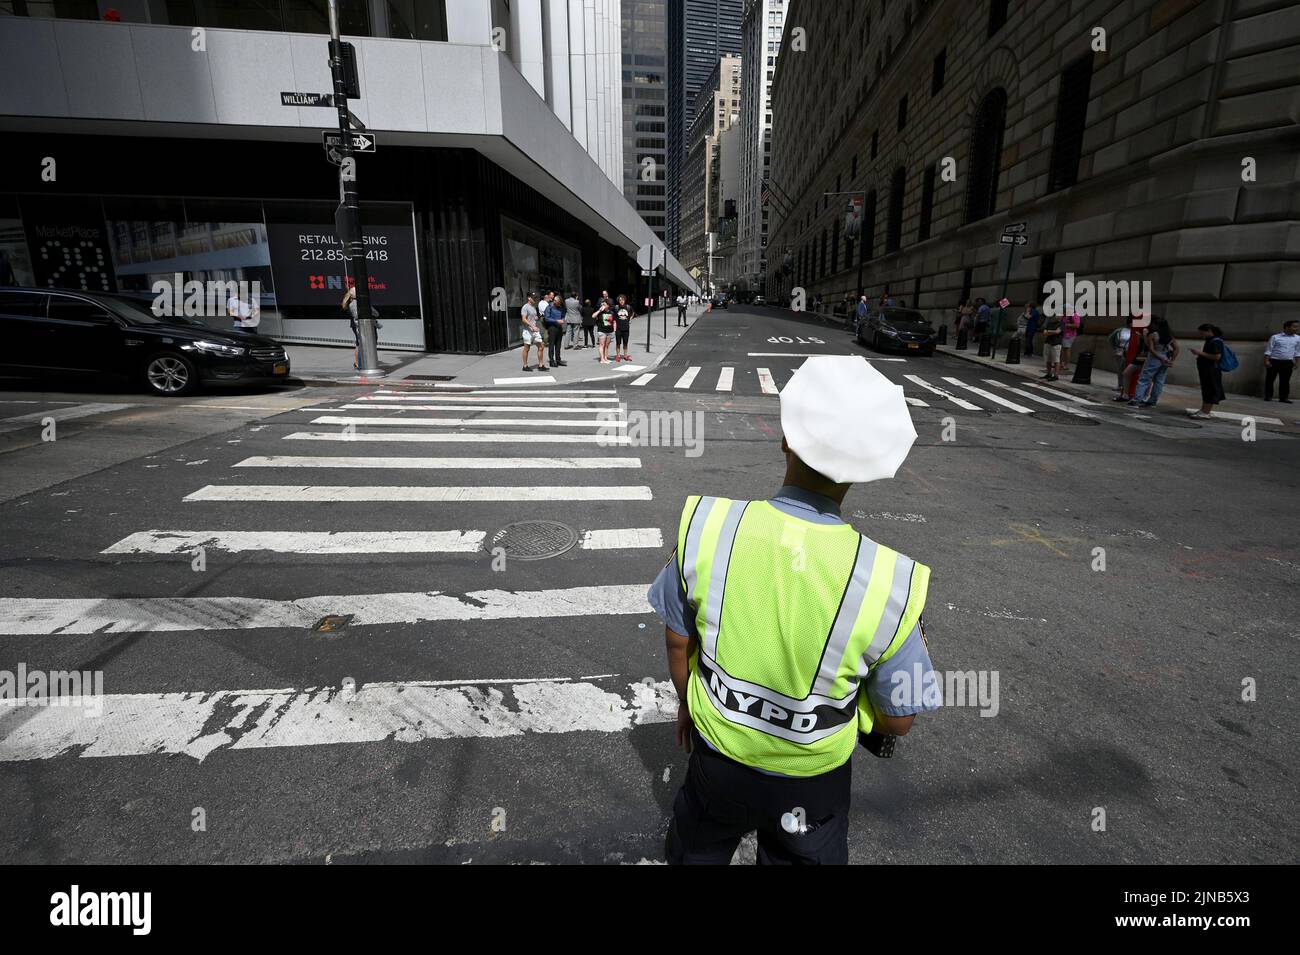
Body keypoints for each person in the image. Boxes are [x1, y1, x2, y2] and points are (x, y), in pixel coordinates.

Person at [648, 355, 938, 865]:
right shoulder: (891, 582)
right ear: (865, 471)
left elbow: (678, 640)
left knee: (696, 852)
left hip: (719, 758)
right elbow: (899, 720)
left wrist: (690, 704)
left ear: (785, 437)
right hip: (814, 783)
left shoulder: (709, 528)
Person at [1129, 317, 1178, 407]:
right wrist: (1171, 360)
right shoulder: (1170, 336)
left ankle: (1137, 399)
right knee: (1159, 381)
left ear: (1157, 325)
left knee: (1144, 379)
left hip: (1154, 358)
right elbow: (1176, 349)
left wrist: (1144, 336)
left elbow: (1151, 349)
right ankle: (1153, 401)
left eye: (1154, 324)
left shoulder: (1153, 335)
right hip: (1166, 358)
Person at [1187, 323, 1226, 419]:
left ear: (1209, 331)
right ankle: (1204, 410)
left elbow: (1217, 357)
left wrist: (1200, 353)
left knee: (1210, 390)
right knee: (1206, 389)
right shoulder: (1210, 340)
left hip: (1212, 370)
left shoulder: (1216, 341)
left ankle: (1206, 411)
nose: (1201, 336)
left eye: (1202, 333)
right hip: (1207, 370)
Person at [1263, 320, 1299, 403]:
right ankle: (1268, 396)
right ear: (1287, 327)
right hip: (1274, 361)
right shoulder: (1275, 337)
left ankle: (1283, 398)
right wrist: (1266, 361)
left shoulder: (1298, 338)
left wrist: (1297, 363)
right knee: (1270, 379)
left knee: (1285, 381)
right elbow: (1268, 350)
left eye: (1297, 326)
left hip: (1288, 362)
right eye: (1294, 326)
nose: (1296, 328)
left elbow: (1297, 352)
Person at [519, 293, 546, 372]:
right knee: (527, 348)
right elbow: (524, 319)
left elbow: (533, 318)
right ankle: (525, 366)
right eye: (533, 298)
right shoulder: (525, 307)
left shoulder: (533, 307)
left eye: (535, 297)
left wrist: (537, 317)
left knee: (541, 346)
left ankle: (541, 365)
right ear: (529, 298)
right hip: (528, 331)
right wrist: (532, 326)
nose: (535, 299)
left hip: (535, 331)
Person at [1107, 319, 1132, 393]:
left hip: (1130, 352)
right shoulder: (1120, 330)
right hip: (1120, 351)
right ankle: (1120, 385)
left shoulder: (1136, 331)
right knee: (1121, 369)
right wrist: (1115, 348)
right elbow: (1110, 338)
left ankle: (1126, 385)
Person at [543, 291, 567, 367]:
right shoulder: (549, 307)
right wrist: (556, 321)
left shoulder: (560, 307)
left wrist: (563, 319)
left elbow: (563, 315)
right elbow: (546, 318)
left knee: (558, 345)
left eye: (560, 304)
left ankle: (558, 360)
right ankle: (551, 361)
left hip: (559, 327)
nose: (559, 305)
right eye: (558, 303)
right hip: (552, 327)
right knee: (552, 344)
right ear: (555, 301)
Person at [1040, 311, 1063, 381]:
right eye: (1057, 315)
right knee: (1048, 360)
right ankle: (1049, 373)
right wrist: (1053, 332)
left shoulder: (1062, 324)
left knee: (1056, 360)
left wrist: (1049, 332)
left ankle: (1056, 375)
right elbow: (1044, 333)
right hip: (1048, 342)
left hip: (1056, 343)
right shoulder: (1049, 323)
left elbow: (1058, 332)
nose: (1058, 317)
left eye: (1060, 316)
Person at [614, 293, 635, 362]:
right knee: (618, 343)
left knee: (625, 343)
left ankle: (625, 356)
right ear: (618, 301)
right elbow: (613, 316)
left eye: (623, 300)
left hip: (626, 328)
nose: (621, 301)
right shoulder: (616, 308)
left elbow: (633, 313)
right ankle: (618, 356)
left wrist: (630, 319)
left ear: (625, 300)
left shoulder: (628, 307)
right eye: (620, 300)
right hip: (618, 329)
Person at [595, 295, 615, 364]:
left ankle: (605, 358)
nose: (603, 305)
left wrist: (614, 330)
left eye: (604, 304)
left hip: (609, 331)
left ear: (608, 305)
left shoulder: (611, 312)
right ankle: (602, 359)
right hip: (602, 330)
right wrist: (599, 310)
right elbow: (593, 316)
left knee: (606, 346)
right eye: (602, 304)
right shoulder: (600, 312)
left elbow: (614, 321)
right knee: (602, 345)